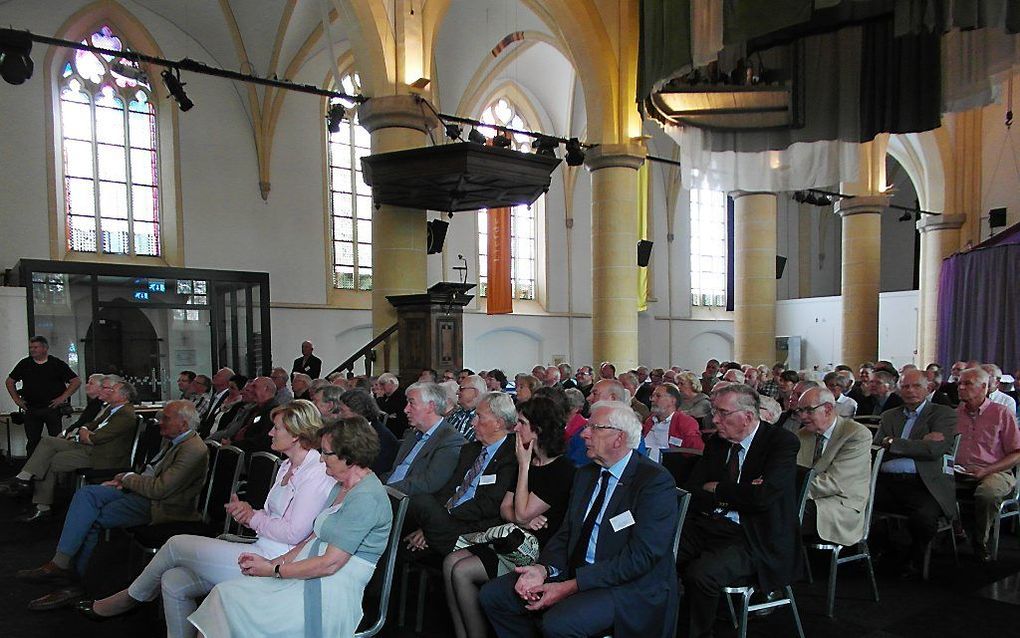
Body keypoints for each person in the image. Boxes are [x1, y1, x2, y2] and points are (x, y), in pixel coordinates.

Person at [76, 400, 335, 635]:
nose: (269, 432)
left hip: (276, 559)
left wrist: (253, 518)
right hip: (263, 545)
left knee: (176, 544)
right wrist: (248, 514)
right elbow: (272, 517)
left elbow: (294, 533)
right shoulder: (288, 465)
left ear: (296, 433)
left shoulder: (316, 473)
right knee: (173, 580)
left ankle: (128, 599)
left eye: (276, 428)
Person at [479, 400, 678, 638]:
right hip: (577, 570)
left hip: (626, 586)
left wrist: (569, 587)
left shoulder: (653, 482)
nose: (584, 433)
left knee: (559, 624)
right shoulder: (586, 474)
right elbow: (567, 532)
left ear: (619, 438)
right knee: (494, 596)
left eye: (594, 427)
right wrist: (542, 569)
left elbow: (640, 557)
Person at [187, 416, 393, 637]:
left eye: (326, 452)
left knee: (228, 601)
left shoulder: (366, 497)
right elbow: (312, 539)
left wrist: (274, 571)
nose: (321, 459)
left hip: (329, 592)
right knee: (224, 596)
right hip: (311, 577)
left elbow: (330, 564)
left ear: (349, 457)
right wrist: (271, 563)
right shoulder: (342, 486)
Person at [16, 400, 208, 610]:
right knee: (86, 495)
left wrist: (126, 478)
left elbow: (160, 490)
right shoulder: (175, 440)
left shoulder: (193, 449)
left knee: (92, 518)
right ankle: (62, 564)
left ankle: (76, 582)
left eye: (166, 418)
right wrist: (125, 480)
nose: (160, 421)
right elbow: (151, 472)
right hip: (143, 493)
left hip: (163, 507)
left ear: (183, 423)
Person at [678, 384, 803, 638]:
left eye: (723, 413)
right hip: (712, 523)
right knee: (661, 551)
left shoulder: (781, 442)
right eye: (715, 412)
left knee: (702, 574)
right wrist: (740, 491)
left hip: (757, 535)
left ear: (747, 417)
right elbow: (695, 488)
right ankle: (664, 623)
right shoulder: (718, 442)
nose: (714, 419)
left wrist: (719, 489)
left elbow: (762, 499)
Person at [443, 396, 575, 638]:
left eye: (522, 423)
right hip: (513, 536)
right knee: (450, 562)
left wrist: (524, 468)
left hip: (534, 549)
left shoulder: (561, 470)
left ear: (538, 430)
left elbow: (521, 510)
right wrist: (522, 518)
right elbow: (507, 508)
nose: (516, 428)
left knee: (462, 571)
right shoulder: (526, 459)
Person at [1, 378, 138, 523]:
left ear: (124, 396)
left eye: (112, 390)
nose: (109, 391)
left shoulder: (125, 415)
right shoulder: (111, 409)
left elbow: (96, 438)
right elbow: (89, 425)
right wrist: (85, 431)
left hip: (101, 456)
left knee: (49, 459)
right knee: (48, 442)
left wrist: (86, 432)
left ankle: (41, 505)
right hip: (89, 447)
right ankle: (24, 478)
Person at [403, 392, 518, 557]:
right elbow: (449, 489)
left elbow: (488, 505)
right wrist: (433, 523)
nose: (473, 423)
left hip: (472, 526)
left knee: (418, 500)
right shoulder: (470, 450)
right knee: (402, 537)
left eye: (479, 417)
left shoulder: (510, 456)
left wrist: (439, 519)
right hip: (444, 521)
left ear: (498, 423)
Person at [872, 369, 958, 579]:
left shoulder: (942, 413)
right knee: (856, 503)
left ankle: (914, 557)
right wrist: (918, 444)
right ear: (899, 390)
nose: (910, 391)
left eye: (916, 386)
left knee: (924, 518)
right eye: (905, 386)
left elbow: (934, 450)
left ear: (928, 388)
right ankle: (881, 549)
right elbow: (876, 448)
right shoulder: (889, 415)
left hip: (924, 482)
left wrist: (893, 442)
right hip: (885, 481)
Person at [953, 367, 1020, 561]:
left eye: (967, 384)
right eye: (959, 383)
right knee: (933, 485)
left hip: (996, 471)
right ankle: (957, 531)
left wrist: (987, 470)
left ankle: (980, 540)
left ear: (983, 387)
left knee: (987, 493)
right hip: (960, 471)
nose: (961, 388)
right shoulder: (954, 415)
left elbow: (1016, 453)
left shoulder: (1001, 413)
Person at [795, 387, 872, 546]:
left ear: (828, 409)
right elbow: (793, 472)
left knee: (781, 516)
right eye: (800, 410)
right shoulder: (803, 434)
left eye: (808, 411)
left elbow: (834, 482)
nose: (802, 416)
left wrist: (789, 494)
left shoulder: (856, 434)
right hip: (808, 497)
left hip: (840, 505)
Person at [381, 382, 466, 496]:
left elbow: (428, 483)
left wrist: (383, 490)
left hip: (406, 501)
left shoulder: (450, 440)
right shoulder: (413, 435)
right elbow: (395, 471)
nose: (406, 409)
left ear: (430, 406)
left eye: (411, 403)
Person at [6, 335, 82, 456]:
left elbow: (76, 381)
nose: (32, 350)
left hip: (52, 408)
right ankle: (31, 471)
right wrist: (17, 400)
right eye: (31, 347)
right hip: (31, 407)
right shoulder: (25, 364)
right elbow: (10, 381)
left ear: (45, 348)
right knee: (32, 441)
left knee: (56, 439)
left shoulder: (56, 364)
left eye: (35, 347)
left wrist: (62, 398)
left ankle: (56, 469)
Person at [335, 387, 400, 476]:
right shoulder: (349, 430)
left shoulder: (383, 439)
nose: (339, 415)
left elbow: (378, 471)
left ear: (357, 412)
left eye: (342, 411)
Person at [642, 382, 704, 461]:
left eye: (658, 396)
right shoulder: (650, 420)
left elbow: (697, 452)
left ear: (672, 401)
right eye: (652, 396)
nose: (652, 399)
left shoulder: (685, 422)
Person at [447, 374, 487, 441]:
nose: (457, 392)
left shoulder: (482, 418)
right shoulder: (454, 413)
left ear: (475, 392)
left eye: (461, 389)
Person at [375, 372, 409, 438]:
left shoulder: (401, 396)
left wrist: (380, 398)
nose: (380, 387)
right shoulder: (385, 396)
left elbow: (387, 410)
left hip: (397, 431)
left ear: (392, 383)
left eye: (383, 384)